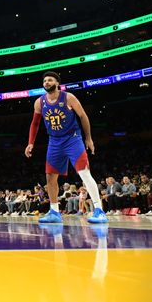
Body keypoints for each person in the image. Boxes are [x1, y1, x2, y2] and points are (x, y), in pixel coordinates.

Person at [25, 71, 107, 224]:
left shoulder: (68, 97)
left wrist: (88, 138)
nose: (46, 83)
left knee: (84, 172)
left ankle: (99, 210)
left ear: (57, 83)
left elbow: (83, 116)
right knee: (50, 176)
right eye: (44, 81)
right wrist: (31, 143)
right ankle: (54, 211)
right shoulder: (39, 102)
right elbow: (35, 123)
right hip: (54, 141)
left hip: (72, 138)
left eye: (50, 80)